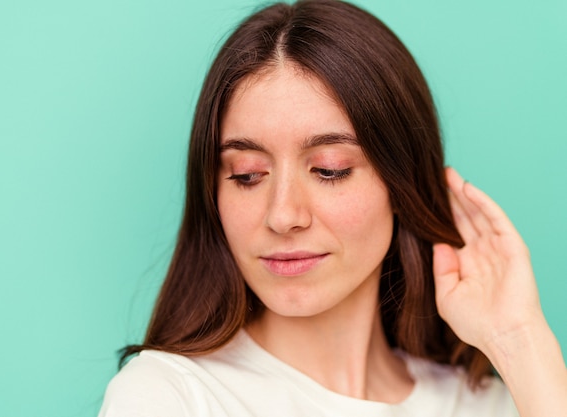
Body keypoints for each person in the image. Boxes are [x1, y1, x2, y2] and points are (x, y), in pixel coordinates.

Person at [98, 0, 567, 415]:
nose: (282, 216)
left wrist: (521, 343)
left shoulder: (491, 404)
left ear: (401, 182)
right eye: (246, 175)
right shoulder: (169, 398)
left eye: (329, 169)